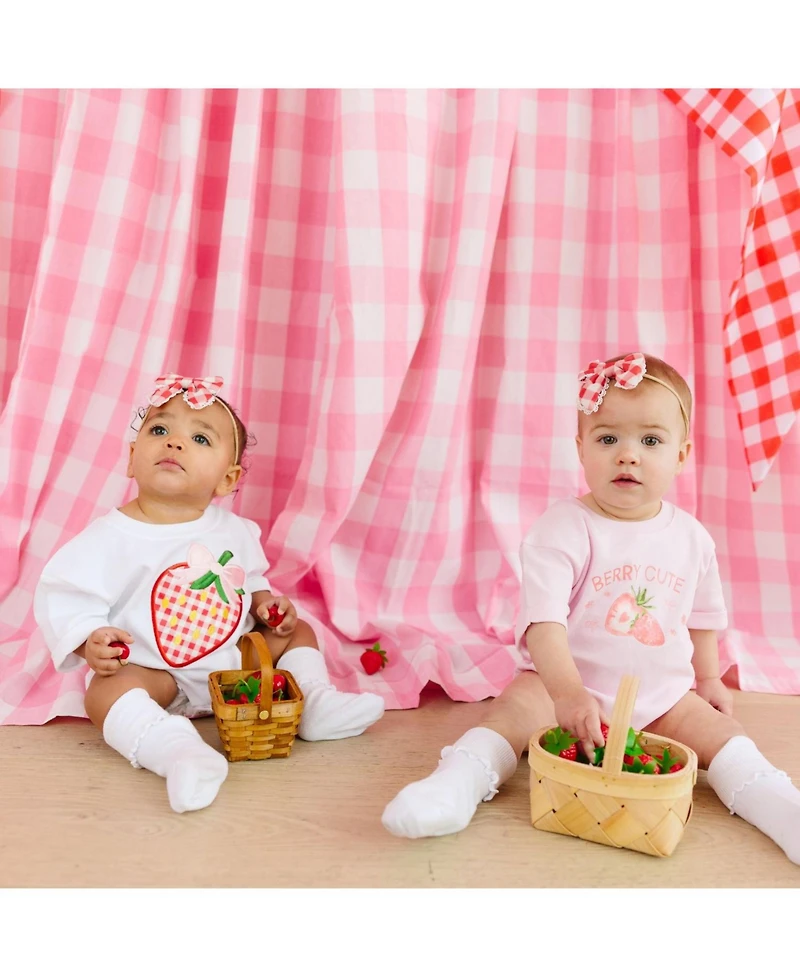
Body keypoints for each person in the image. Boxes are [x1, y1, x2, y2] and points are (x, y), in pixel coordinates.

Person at [382, 352, 800, 866]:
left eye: (650, 440)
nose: (628, 455)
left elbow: (702, 618)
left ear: (682, 454)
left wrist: (709, 680)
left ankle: (781, 809)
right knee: (511, 715)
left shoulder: (692, 538)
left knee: (726, 738)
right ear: (581, 448)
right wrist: (567, 693)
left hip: (664, 696)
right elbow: (544, 624)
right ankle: (455, 785)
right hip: (561, 683)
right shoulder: (564, 528)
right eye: (608, 439)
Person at [34, 374, 384, 814]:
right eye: (159, 430)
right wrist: (90, 641)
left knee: (298, 633)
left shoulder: (235, 530)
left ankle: (310, 701)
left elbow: (250, 581)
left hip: (235, 662)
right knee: (104, 692)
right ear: (130, 457)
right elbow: (68, 596)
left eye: (200, 438)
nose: (175, 443)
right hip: (156, 672)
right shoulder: (107, 538)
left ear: (227, 479)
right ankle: (174, 750)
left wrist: (266, 606)